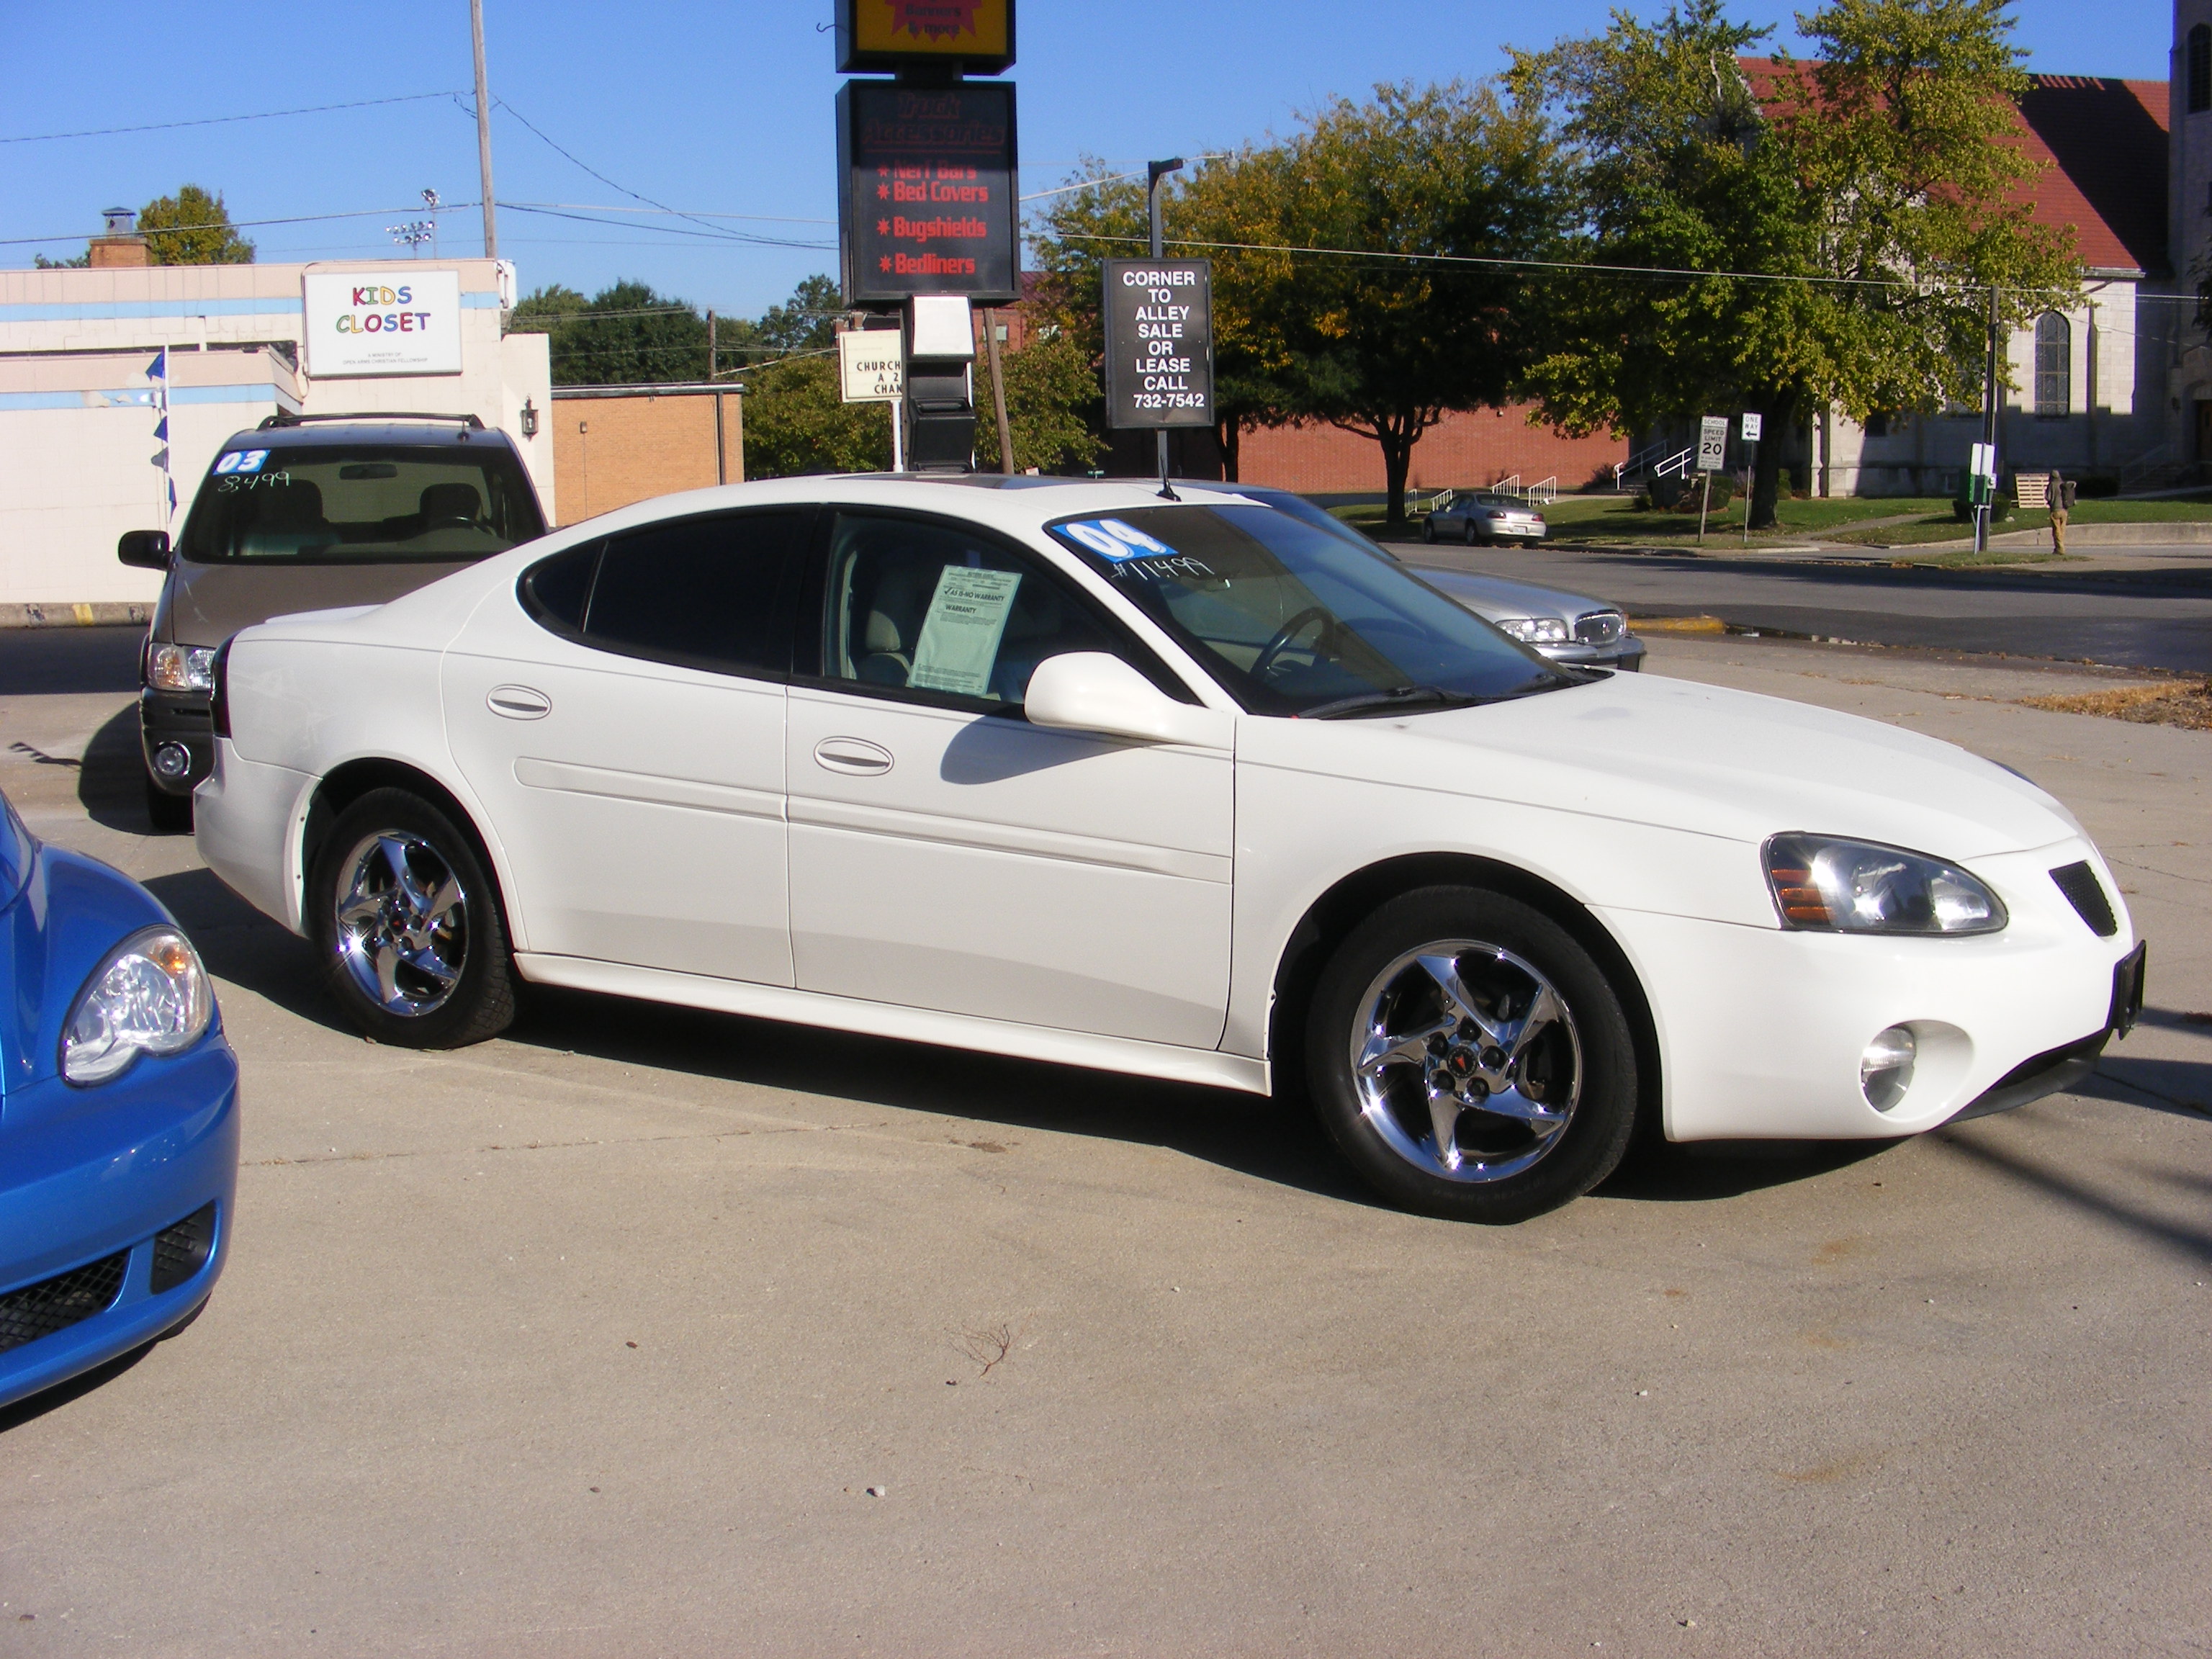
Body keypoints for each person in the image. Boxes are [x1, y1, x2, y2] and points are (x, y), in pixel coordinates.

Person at [2048, 469, 2074, 555]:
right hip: (2064, 510)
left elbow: (2048, 497)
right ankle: (2060, 547)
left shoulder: (2052, 485)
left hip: (2055, 510)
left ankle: (2060, 549)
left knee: (2056, 530)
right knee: (2062, 530)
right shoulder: (2063, 484)